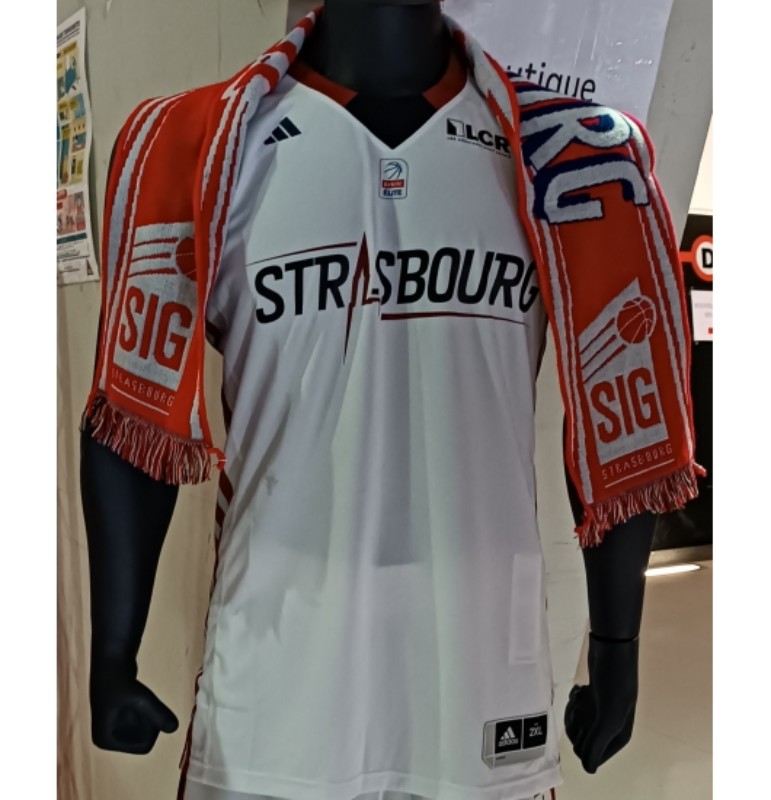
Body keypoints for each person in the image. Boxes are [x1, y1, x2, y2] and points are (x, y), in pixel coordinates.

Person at [81, 2, 698, 800]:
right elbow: (131, 417)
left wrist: (616, 645)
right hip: (275, 687)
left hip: (482, 681)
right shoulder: (190, 143)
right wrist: (113, 653)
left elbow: (626, 423)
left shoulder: (574, 154)